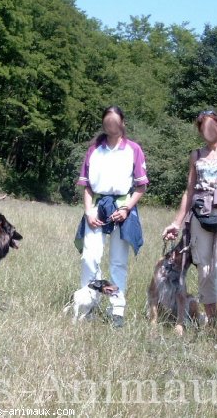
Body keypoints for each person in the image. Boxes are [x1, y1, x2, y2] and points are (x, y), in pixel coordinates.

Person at [162, 110, 217, 326]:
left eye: (212, 126)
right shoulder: (196, 155)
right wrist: (176, 222)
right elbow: (189, 192)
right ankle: (212, 322)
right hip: (201, 217)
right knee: (205, 270)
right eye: (203, 128)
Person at [75, 106, 149, 328]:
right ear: (103, 123)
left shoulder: (133, 149)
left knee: (118, 261)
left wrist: (126, 208)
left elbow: (141, 186)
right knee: (90, 257)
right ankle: (88, 305)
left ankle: (117, 310)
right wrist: (88, 211)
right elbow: (87, 186)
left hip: (121, 207)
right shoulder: (94, 150)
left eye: (115, 121)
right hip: (97, 206)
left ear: (122, 123)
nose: (111, 125)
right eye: (108, 121)